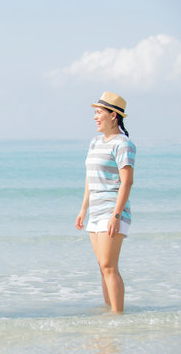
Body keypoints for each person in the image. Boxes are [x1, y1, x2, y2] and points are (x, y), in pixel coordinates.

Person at [75, 92, 136, 314]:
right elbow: (89, 178)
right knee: (103, 268)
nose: (95, 117)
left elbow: (127, 182)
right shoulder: (94, 142)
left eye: (99, 112)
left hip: (113, 211)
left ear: (113, 115)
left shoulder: (123, 144)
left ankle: (118, 317)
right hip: (96, 212)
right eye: (95, 112)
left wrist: (116, 215)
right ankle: (109, 313)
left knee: (110, 267)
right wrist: (83, 209)